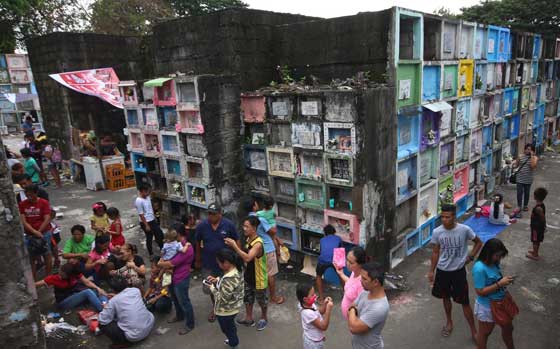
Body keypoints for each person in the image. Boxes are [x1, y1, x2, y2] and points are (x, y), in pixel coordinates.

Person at [427, 204, 483, 340]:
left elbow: (479, 242)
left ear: (454, 216)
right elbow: (435, 251)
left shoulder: (464, 230)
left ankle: (474, 331)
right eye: (443, 217)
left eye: (448, 217)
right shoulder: (437, 232)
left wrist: (470, 257)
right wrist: (431, 270)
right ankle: (449, 322)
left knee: (464, 302)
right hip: (442, 271)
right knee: (445, 298)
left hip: (458, 272)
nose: (445, 220)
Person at [195, 203, 239, 322]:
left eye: (214, 214)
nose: (211, 216)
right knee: (210, 287)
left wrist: (237, 258)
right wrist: (197, 258)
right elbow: (197, 242)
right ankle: (216, 307)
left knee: (227, 286)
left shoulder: (228, 225)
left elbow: (237, 241)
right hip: (208, 263)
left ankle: (227, 306)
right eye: (209, 214)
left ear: (220, 214)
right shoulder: (202, 226)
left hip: (226, 264)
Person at [225, 216, 268, 331]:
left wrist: (234, 246)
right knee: (247, 298)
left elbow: (248, 258)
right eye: (244, 226)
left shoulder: (258, 244)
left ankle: (264, 317)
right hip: (249, 275)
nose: (244, 228)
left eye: (246, 226)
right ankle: (249, 318)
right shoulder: (249, 240)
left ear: (254, 228)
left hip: (259, 278)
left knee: (261, 300)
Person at [472, 239, 516, 349]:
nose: (499, 258)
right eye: (497, 255)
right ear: (488, 253)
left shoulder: (494, 263)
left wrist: (505, 281)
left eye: (500, 256)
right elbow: (480, 291)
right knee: (485, 333)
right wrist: (499, 284)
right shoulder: (479, 268)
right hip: (488, 306)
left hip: (502, 302)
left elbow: (495, 278)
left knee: (509, 328)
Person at [245, 198, 285, 304]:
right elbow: (273, 231)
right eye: (256, 203)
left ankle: (261, 295)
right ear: (254, 206)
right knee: (270, 274)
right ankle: (273, 297)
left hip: (255, 248)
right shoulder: (260, 219)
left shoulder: (247, 219)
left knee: (260, 273)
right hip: (267, 248)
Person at [99, 276, 155, 347]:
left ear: (113, 289)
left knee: (103, 325)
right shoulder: (135, 290)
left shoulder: (113, 301)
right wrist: (115, 297)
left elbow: (102, 320)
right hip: (149, 324)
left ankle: (122, 343)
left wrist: (106, 307)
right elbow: (126, 298)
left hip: (134, 336)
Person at [207, 249, 245, 349]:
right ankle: (232, 339)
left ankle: (234, 344)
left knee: (227, 329)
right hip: (234, 306)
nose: (218, 265)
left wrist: (212, 288)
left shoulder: (229, 278)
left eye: (219, 263)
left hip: (226, 311)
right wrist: (217, 280)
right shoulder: (236, 269)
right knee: (230, 327)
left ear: (226, 262)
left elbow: (222, 298)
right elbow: (229, 286)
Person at [158, 236, 195, 335]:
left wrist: (161, 262)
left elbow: (170, 263)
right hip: (171, 277)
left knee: (184, 301)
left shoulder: (187, 248)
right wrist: (162, 261)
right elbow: (162, 256)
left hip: (181, 278)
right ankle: (179, 315)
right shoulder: (171, 245)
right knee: (175, 298)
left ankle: (190, 324)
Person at [347, 262, 390, 349]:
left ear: (375, 282)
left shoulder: (379, 307)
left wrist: (352, 309)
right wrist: (352, 312)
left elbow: (353, 328)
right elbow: (351, 315)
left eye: (364, 279)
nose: (360, 281)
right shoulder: (365, 292)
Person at [35, 263, 108, 312]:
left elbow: (87, 282)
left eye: (62, 275)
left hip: (73, 295)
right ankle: (103, 310)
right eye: (60, 273)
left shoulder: (75, 273)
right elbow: (38, 284)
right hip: (63, 302)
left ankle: (105, 304)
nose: (60, 276)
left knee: (98, 291)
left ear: (70, 275)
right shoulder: (55, 278)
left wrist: (98, 288)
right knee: (88, 292)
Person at [19, 184, 52, 280]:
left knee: (47, 254)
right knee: (32, 257)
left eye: (31, 195)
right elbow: (23, 221)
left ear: (36, 193)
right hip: (30, 234)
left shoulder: (44, 202)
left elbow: (47, 218)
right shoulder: (22, 204)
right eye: (27, 195)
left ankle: (48, 277)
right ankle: (33, 279)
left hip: (44, 232)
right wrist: (34, 232)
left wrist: (39, 231)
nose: (29, 197)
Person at [296, 283, 334, 349]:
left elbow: (319, 312)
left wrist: (325, 304)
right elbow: (323, 326)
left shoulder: (308, 304)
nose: (315, 296)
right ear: (305, 299)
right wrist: (328, 310)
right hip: (313, 343)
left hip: (314, 337)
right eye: (312, 295)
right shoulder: (307, 313)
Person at [336, 246, 366, 320]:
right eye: (347, 260)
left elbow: (362, 306)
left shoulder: (363, 283)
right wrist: (341, 274)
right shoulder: (354, 272)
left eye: (351, 263)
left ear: (360, 264)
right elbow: (351, 283)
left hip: (354, 320)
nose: (347, 264)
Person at [316, 224, 343, 302]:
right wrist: (340, 267)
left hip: (323, 260)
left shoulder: (322, 239)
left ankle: (321, 298)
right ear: (334, 232)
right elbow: (341, 252)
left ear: (325, 233)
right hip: (335, 259)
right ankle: (346, 294)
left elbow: (321, 252)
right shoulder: (338, 239)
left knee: (318, 276)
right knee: (341, 275)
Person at [135, 183, 164, 256]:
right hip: (146, 222)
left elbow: (150, 209)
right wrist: (146, 225)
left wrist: (154, 217)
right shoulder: (139, 201)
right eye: (147, 191)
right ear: (142, 191)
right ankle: (151, 254)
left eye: (149, 191)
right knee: (149, 237)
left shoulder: (147, 197)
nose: (148, 193)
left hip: (152, 220)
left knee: (159, 234)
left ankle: (162, 249)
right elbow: (141, 214)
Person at [512, 143, 538, 217]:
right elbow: (516, 165)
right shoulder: (520, 156)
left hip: (528, 178)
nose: (527, 151)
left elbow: (533, 167)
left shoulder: (535, 158)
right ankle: (519, 206)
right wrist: (513, 165)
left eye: (529, 149)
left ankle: (525, 205)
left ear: (533, 150)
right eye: (526, 149)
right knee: (519, 193)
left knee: (527, 193)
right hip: (520, 178)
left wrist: (532, 156)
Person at [527, 187, 548, 260]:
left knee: (535, 241)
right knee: (537, 240)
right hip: (537, 227)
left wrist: (544, 226)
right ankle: (535, 251)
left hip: (537, 228)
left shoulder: (538, 208)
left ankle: (535, 255)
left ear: (535, 196)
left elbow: (542, 217)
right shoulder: (540, 205)